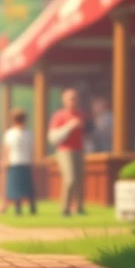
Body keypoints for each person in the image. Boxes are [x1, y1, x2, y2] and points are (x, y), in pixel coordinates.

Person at [47, 88, 86, 216]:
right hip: (64, 151)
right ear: (64, 100)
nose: (73, 101)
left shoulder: (80, 114)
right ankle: (65, 208)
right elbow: (52, 137)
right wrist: (69, 127)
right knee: (70, 179)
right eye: (70, 99)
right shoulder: (59, 116)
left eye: (75, 98)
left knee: (79, 179)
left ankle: (79, 207)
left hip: (79, 150)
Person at [1, 108, 35, 215]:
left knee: (18, 187)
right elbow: (31, 149)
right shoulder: (28, 133)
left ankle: (20, 208)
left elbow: (6, 149)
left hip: (17, 162)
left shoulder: (10, 134)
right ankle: (29, 207)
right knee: (24, 186)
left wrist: (5, 160)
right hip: (22, 162)